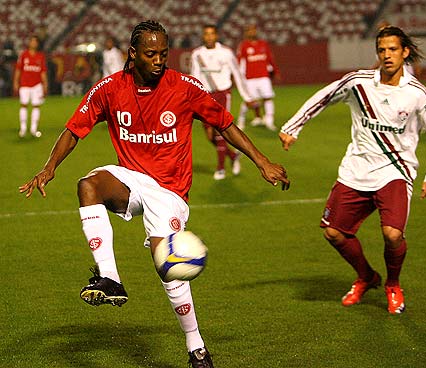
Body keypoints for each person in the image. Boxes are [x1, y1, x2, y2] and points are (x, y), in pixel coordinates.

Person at [19, 20, 289, 367]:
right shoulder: (109, 88)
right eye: (150, 54)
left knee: (167, 267)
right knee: (88, 185)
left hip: (170, 192)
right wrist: (49, 166)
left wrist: (262, 161)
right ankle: (110, 279)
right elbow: (74, 129)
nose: (159, 60)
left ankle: (196, 346)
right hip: (131, 179)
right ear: (133, 54)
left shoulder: (185, 87)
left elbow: (225, 123)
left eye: (163, 53)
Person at [279, 26, 426, 315]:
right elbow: (325, 96)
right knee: (334, 233)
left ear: (405, 52)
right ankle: (367, 276)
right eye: (382, 50)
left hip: (395, 171)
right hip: (356, 170)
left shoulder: (417, 93)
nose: (387, 55)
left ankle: (393, 285)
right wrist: (293, 127)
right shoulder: (359, 82)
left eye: (393, 49)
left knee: (393, 234)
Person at [191, 24, 254, 180]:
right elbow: (194, 76)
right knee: (209, 135)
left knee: (219, 131)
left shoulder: (226, 53)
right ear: (203, 36)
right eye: (206, 34)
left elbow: (237, 74)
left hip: (222, 94)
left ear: (216, 35)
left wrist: (247, 96)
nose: (209, 36)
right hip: (204, 96)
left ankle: (220, 169)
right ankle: (233, 156)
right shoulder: (197, 54)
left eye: (212, 33)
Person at [236, 24, 280, 131]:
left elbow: (270, 58)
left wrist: (276, 71)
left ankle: (269, 121)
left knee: (268, 97)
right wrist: (238, 76)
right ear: (246, 33)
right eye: (249, 30)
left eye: (254, 30)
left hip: (263, 76)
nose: (252, 32)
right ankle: (241, 120)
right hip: (250, 78)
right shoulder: (244, 46)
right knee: (249, 100)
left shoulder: (263, 44)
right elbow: (238, 61)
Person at [13, 35, 48, 138]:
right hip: (25, 84)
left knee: (36, 106)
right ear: (29, 43)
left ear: (37, 44)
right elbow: (18, 69)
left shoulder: (40, 56)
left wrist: (45, 83)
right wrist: (15, 82)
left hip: (37, 85)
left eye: (35, 41)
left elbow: (42, 71)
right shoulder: (23, 55)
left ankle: (34, 129)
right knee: (23, 105)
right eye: (31, 41)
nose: (33, 43)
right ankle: (23, 129)